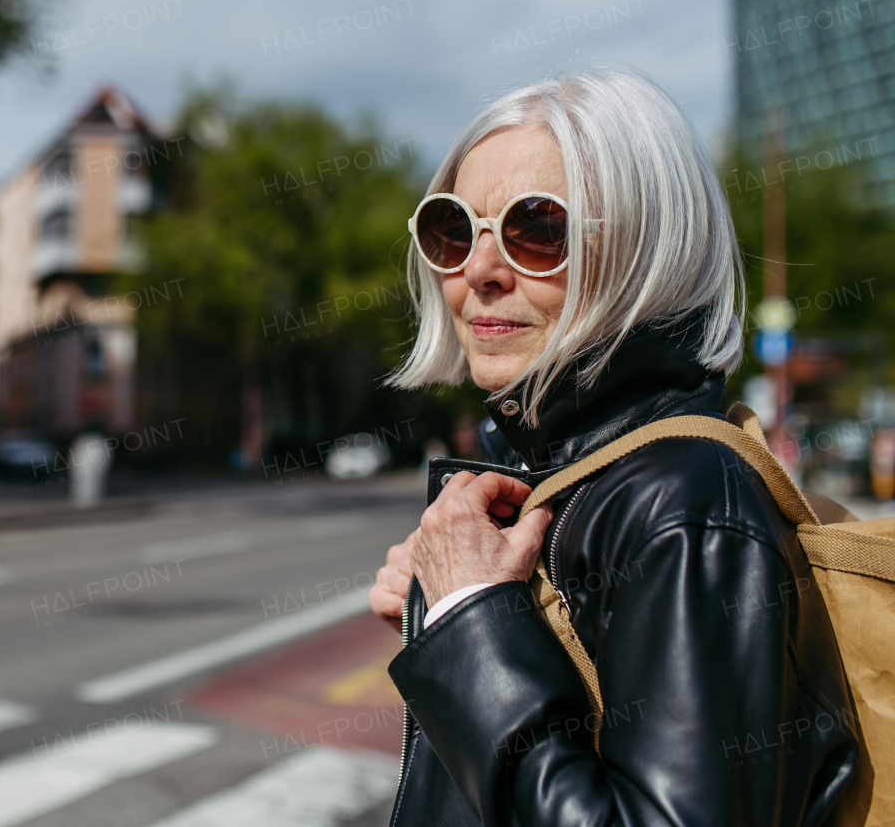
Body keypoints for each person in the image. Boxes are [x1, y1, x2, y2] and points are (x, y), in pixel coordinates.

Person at [368, 68, 860, 826]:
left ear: (645, 250)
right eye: (453, 230)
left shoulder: (682, 501)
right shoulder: (574, 478)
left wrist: (472, 615)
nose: (477, 271)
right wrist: (453, 605)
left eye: (538, 229)